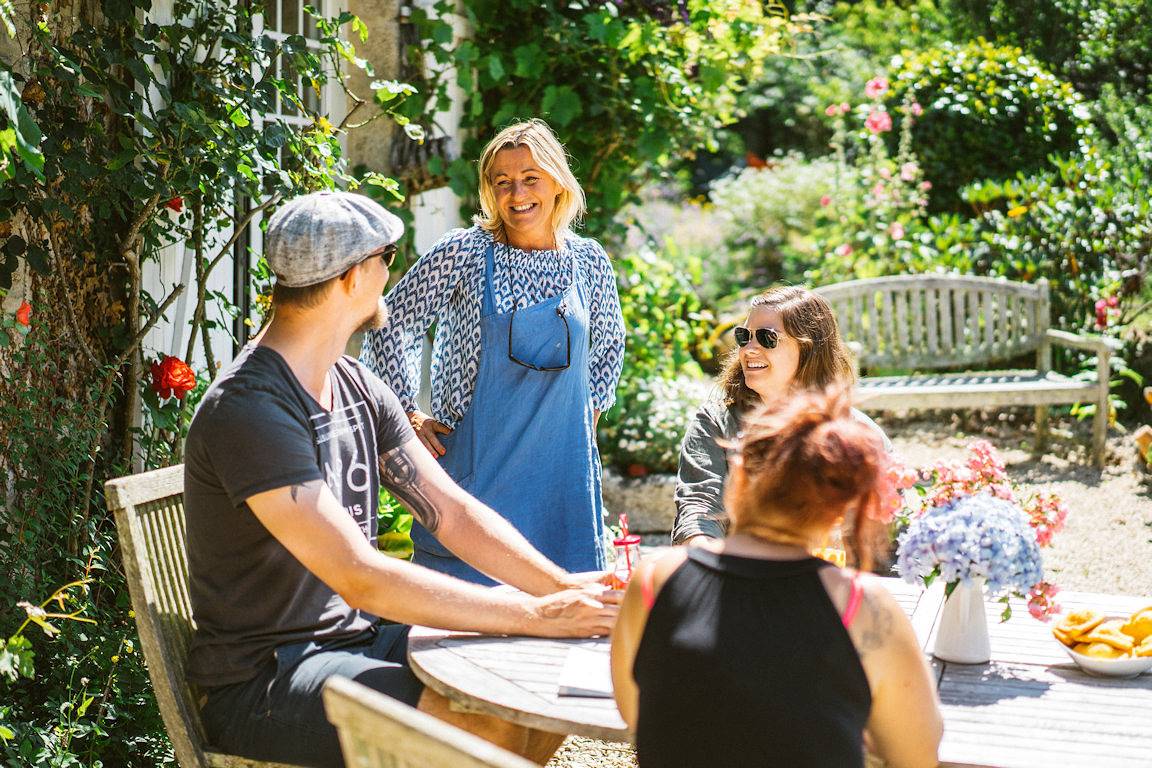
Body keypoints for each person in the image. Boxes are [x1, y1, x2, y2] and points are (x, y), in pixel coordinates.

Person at [183, 191, 619, 768]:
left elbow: (454, 515)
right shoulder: (253, 408)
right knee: (481, 720)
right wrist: (532, 612)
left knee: (537, 681)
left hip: (355, 642)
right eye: (386, 256)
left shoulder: (354, 383)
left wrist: (562, 589)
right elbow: (358, 577)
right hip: (269, 676)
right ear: (351, 277)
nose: (392, 271)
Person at [611, 388, 943, 768]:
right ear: (838, 510)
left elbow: (636, 712)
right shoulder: (862, 606)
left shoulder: (655, 579)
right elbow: (918, 756)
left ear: (737, 477)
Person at [361, 119, 625, 584]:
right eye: (502, 182)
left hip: (561, 484)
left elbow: (607, 346)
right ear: (489, 191)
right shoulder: (465, 252)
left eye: (530, 178)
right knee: (466, 624)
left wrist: (583, 424)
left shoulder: (589, 260)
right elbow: (389, 321)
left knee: (569, 615)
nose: (516, 193)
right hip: (476, 477)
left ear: (558, 183)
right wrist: (406, 413)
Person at [672, 285, 891, 546]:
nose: (748, 349)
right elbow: (699, 509)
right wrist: (710, 564)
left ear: (809, 349)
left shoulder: (854, 433)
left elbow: (885, 529)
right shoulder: (716, 422)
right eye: (744, 336)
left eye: (766, 337)